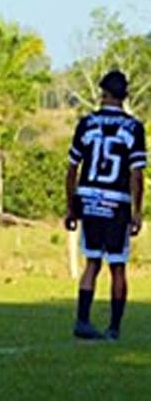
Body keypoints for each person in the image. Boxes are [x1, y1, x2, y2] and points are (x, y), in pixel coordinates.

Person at [65, 70, 145, 341]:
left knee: (92, 262)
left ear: (102, 94)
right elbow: (136, 174)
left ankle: (83, 321)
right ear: (125, 96)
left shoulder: (86, 124)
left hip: (88, 198)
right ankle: (113, 327)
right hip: (116, 201)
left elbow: (72, 168)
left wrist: (70, 206)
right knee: (118, 265)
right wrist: (137, 210)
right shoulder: (133, 127)